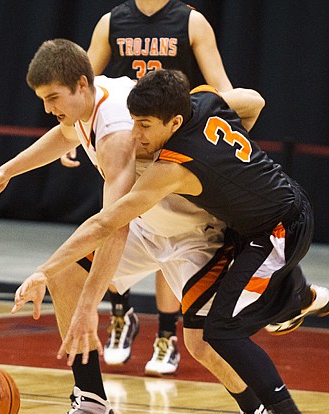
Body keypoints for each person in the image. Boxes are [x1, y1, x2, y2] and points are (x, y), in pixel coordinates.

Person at [0, 39, 276, 414]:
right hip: (151, 227)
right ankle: (91, 403)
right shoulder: (89, 102)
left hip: (194, 233)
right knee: (64, 276)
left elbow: (112, 225)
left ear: (81, 84)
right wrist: (5, 172)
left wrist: (87, 307)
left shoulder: (116, 130)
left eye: (53, 98)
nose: (48, 108)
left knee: (203, 345)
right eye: (42, 100)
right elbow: (62, 136)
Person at [13, 69, 329, 414]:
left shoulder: (174, 167)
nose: (135, 134)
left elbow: (104, 225)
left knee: (216, 335)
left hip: (273, 227)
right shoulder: (203, 100)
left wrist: (41, 271)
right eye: (133, 122)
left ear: (175, 123)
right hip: (261, 219)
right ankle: (91, 402)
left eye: (145, 126)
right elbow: (253, 100)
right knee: (216, 330)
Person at [85, 0, 234, 376]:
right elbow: (82, 87)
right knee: (116, 226)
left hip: (172, 144)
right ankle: (121, 315)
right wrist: (72, 137)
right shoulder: (111, 22)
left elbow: (222, 88)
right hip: (126, 141)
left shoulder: (192, 21)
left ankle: (166, 333)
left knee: (166, 236)